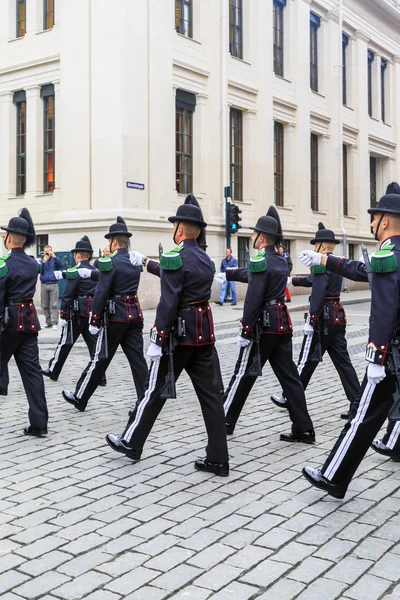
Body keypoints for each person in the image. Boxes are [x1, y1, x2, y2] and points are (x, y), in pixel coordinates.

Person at [105, 202, 229, 476]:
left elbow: (169, 299)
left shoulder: (177, 257)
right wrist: (148, 263)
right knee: (211, 398)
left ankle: (131, 441)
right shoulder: (205, 260)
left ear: (180, 229)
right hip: (203, 335)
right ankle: (219, 458)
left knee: (153, 391)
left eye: (174, 226)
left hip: (180, 336)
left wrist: (158, 338)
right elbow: (176, 276)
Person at [299, 191, 400, 499]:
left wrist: (376, 356)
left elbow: (384, 308)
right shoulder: (392, 253)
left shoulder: (388, 253)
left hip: (392, 352)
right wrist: (324, 259)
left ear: (384, 221)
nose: (370, 222)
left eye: (374, 217)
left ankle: (333, 476)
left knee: (362, 416)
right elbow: (361, 270)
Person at [222, 206, 315, 443]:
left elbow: (253, 298)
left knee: (243, 374)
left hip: (263, 326)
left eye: (254, 234)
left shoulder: (261, 260)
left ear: (261, 237)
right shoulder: (279, 260)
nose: (252, 237)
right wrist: (229, 274)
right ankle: (304, 428)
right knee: (290, 378)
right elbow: (254, 274)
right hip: (281, 323)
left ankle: (222, 421)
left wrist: (245, 329)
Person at [271, 223, 360, 420]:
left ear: (321, 246)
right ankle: (358, 404)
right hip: (337, 316)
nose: (313, 249)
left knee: (305, 360)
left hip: (323, 318)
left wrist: (312, 318)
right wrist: (293, 280)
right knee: (344, 364)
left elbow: (318, 290)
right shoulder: (336, 261)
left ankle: (289, 397)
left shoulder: (321, 262)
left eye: (315, 244)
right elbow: (314, 280)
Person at [62, 217, 148, 412]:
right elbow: (116, 278)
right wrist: (92, 274)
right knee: (137, 361)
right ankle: (145, 401)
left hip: (115, 317)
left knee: (99, 359)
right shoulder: (134, 261)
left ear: (114, 242)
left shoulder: (110, 261)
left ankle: (80, 396)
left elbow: (102, 291)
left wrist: (94, 318)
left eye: (110, 241)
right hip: (134, 314)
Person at [0, 208, 48, 436]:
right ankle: (39, 423)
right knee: (33, 373)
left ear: (9, 238)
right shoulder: (32, 263)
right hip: (29, 322)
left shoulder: (4, 263)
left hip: (8, 323)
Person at [42, 236, 105, 386]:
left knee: (65, 343)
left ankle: (53, 370)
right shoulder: (95, 271)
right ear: (88, 255)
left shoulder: (75, 270)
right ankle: (100, 377)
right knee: (94, 347)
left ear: (77, 255)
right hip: (90, 312)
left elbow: (68, 294)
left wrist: (63, 314)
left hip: (76, 314)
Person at [40, 245, 64, 330]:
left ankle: (54, 322)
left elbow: (61, 266)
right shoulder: (42, 260)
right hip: (44, 284)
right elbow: (39, 270)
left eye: (49, 251)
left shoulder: (54, 260)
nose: (47, 253)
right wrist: (43, 262)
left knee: (54, 305)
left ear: (52, 251)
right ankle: (48, 322)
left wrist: (55, 257)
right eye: (46, 251)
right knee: (45, 305)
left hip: (54, 284)